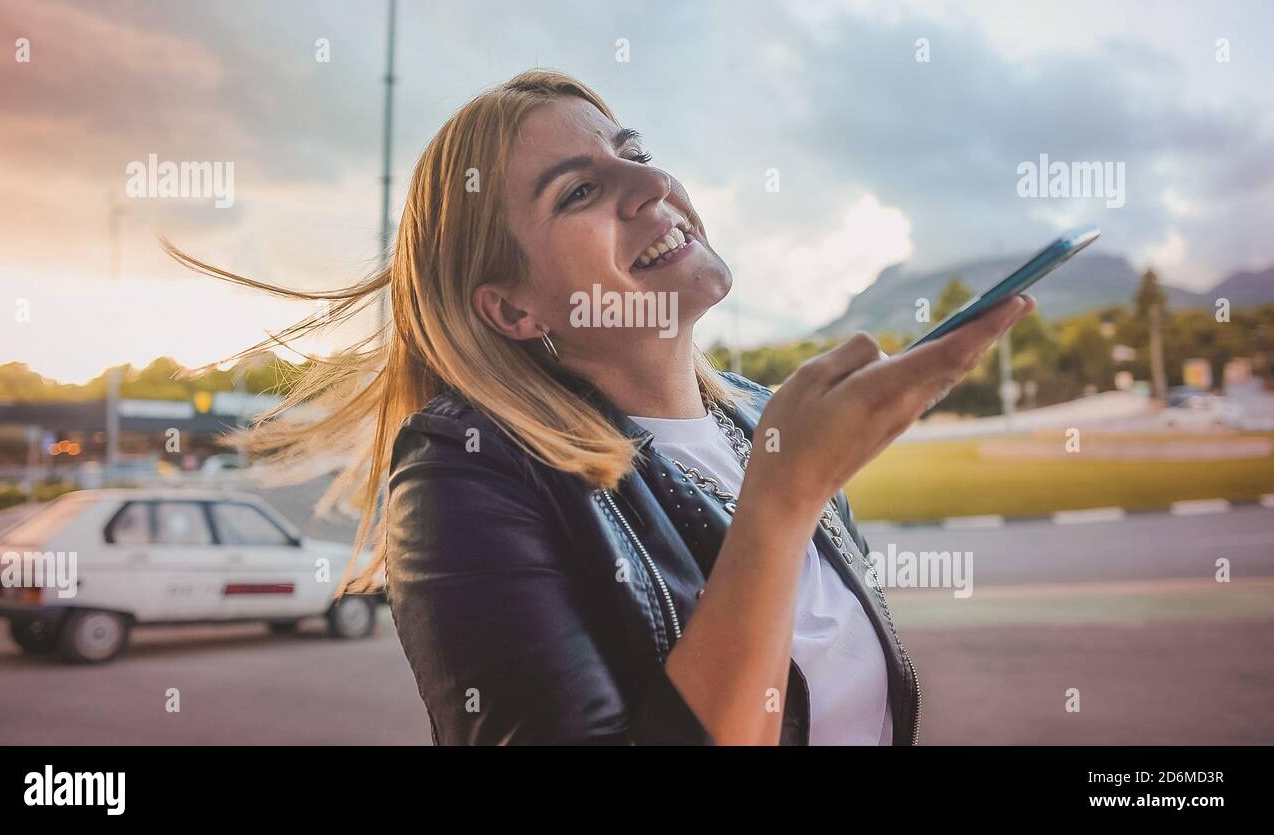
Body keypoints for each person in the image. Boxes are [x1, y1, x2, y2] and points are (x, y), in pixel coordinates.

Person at [169, 69, 1033, 745]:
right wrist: (781, 498)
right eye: (578, 191)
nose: (651, 181)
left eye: (635, 148)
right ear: (512, 308)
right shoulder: (461, 475)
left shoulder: (764, 425)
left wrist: (788, 477)